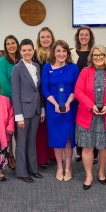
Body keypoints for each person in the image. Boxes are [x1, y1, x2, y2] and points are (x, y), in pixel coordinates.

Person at [75, 45, 106, 190]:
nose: (98, 58)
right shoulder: (85, 72)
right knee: (88, 146)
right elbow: (78, 91)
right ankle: (89, 175)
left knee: (105, 146)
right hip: (88, 115)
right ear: (91, 57)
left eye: (101, 55)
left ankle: (101, 171)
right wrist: (91, 105)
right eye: (95, 55)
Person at [42, 40, 79, 181]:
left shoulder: (73, 68)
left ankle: (68, 167)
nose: (61, 54)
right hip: (53, 108)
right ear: (53, 52)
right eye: (58, 51)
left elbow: (77, 88)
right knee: (57, 138)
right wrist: (56, 104)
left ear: (67, 53)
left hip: (70, 106)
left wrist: (69, 102)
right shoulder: (46, 68)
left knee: (69, 138)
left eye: (64, 51)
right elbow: (45, 89)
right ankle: (59, 167)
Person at [11, 39, 45, 183]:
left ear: (33, 51)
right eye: (24, 50)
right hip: (23, 112)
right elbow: (15, 93)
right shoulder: (17, 69)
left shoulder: (36, 66)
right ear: (20, 52)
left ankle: (32, 169)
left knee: (32, 141)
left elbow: (39, 90)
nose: (27, 52)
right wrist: (18, 116)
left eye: (29, 50)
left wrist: (42, 110)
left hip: (36, 110)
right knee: (22, 142)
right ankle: (22, 172)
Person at [71, 25, 99, 163]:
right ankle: (79, 151)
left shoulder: (94, 52)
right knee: (79, 123)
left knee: (93, 123)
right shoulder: (72, 53)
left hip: (92, 95)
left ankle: (94, 152)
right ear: (78, 37)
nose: (83, 37)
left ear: (90, 37)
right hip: (77, 94)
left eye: (86, 35)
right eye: (81, 34)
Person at [0, 35, 20, 170]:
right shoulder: (2, 61)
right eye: (8, 44)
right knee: (9, 130)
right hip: (7, 102)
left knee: (20, 130)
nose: (11, 46)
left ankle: (20, 155)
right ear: (5, 46)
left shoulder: (22, 59)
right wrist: (17, 97)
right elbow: (4, 84)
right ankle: (10, 156)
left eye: (13, 43)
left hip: (22, 102)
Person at [34, 27, 56, 169]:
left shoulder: (58, 53)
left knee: (53, 127)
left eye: (48, 36)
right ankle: (42, 158)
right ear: (39, 40)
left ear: (52, 38)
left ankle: (54, 155)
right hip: (41, 96)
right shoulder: (35, 56)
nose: (46, 39)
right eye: (43, 37)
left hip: (56, 96)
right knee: (41, 129)